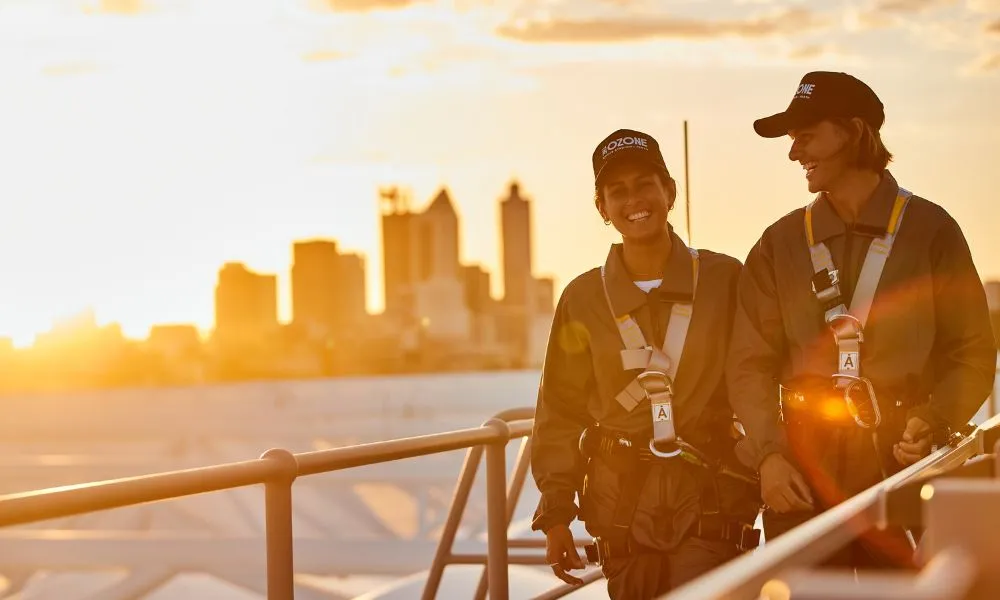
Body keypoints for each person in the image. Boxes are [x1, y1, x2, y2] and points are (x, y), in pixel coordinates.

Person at [728, 71, 996, 569]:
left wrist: (934, 419)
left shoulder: (932, 231)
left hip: (902, 465)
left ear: (853, 132)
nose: (794, 153)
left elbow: (973, 350)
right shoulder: (777, 244)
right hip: (801, 471)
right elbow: (748, 364)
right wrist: (769, 457)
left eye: (806, 136)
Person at [530, 128, 762, 599]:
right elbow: (559, 408)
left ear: (669, 192)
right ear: (602, 208)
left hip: (710, 496)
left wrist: (764, 456)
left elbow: (756, 374)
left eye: (645, 185)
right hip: (622, 508)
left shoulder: (723, 279)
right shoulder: (582, 298)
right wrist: (556, 512)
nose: (633, 200)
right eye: (617, 191)